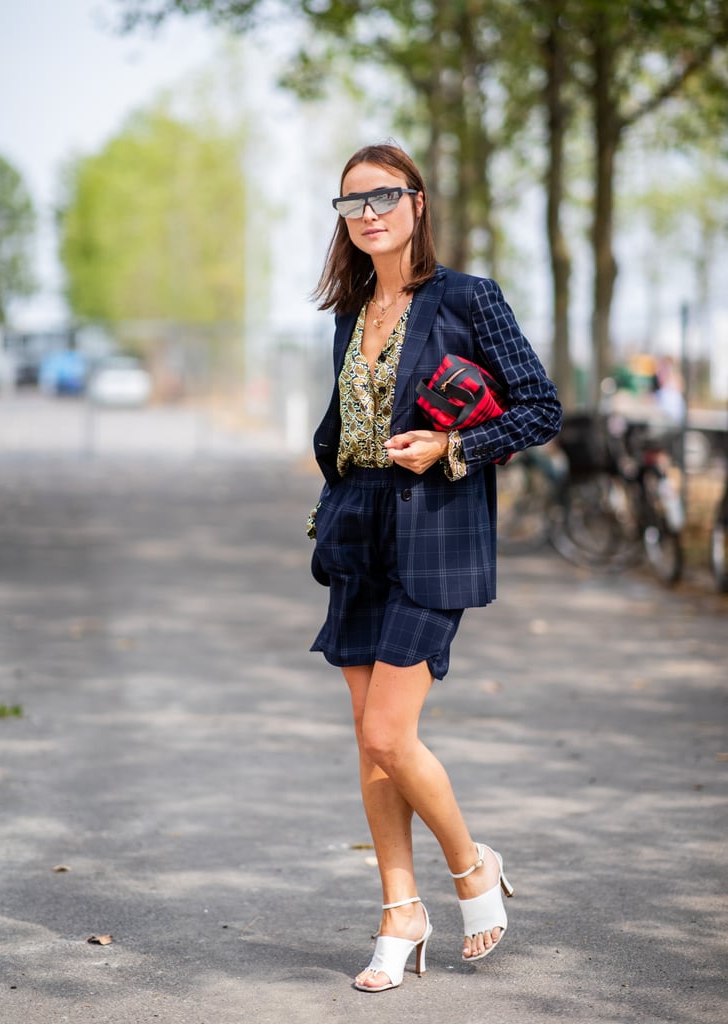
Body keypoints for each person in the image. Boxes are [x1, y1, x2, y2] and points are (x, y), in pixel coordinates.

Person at [307, 142, 562, 992]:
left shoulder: (465, 298)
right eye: (353, 202)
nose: (369, 211)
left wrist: (453, 446)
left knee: (389, 732)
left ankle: (471, 869)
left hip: (434, 530)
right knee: (368, 743)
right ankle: (398, 913)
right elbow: (344, 422)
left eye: (385, 195)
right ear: (342, 221)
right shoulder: (349, 311)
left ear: (417, 203)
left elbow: (539, 407)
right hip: (357, 530)